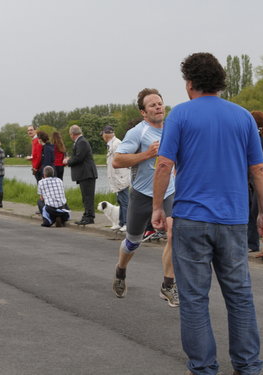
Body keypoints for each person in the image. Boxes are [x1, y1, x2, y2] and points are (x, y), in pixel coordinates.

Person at [152, 52, 263, 375]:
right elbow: (258, 169)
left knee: (194, 298)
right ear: (220, 82)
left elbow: (164, 164)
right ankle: (248, 366)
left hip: (191, 218)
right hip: (233, 221)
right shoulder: (243, 117)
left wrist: (157, 207)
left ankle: (203, 368)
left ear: (189, 83)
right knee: (240, 296)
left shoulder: (180, 116)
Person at [111, 88, 178, 308]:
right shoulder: (137, 133)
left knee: (173, 232)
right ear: (143, 112)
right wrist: (147, 154)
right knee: (133, 242)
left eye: (160, 103)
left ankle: (168, 285)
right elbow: (117, 161)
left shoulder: (173, 129)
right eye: (152, 105)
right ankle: (121, 270)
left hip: (168, 192)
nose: (158, 107)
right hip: (142, 194)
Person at [247, 111, 263, 253]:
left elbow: (260, 166)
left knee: (258, 210)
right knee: (256, 210)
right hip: (260, 180)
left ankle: (257, 244)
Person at [63, 125, 98, 225]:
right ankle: (87, 215)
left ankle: (89, 217)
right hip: (84, 174)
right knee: (85, 196)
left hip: (87, 173)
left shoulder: (81, 142)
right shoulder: (80, 141)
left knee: (88, 196)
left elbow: (79, 158)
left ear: (72, 134)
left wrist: (67, 161)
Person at [101, 125, 130, 232]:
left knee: (125, 201)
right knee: (121, 201)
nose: (102, 137)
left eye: (103, 134)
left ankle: (127, 223)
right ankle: (121, 222)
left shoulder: (117, 143)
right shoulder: (111, 144)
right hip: (117, 178)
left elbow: (122, 159)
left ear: (106, 134)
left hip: (120, 177)